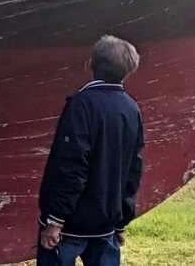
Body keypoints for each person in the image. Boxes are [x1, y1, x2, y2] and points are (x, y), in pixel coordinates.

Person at [37, 35, 144, 266]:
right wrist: (120, 221)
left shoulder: (80, 105)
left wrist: (55, 220)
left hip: (70, 225)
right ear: (128, 72)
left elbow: (72, 165)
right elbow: (132, 170)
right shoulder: (132, 109)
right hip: (105, 224)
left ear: (89, 64)